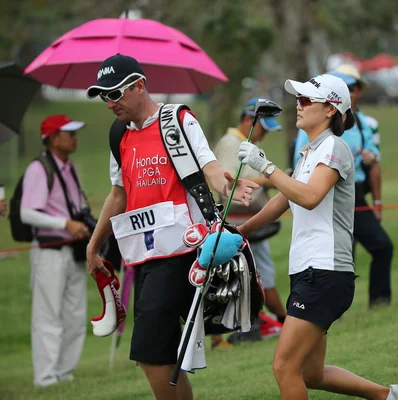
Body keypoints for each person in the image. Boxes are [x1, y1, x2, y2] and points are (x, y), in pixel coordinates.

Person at [84, 54, 258, 400]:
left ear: (139, 86)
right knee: (161, 356)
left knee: (149, 353)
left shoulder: (176, 119)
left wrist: (226, 185)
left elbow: (209, 166)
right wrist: (93, 246)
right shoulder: (118, 133)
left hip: (181, 251)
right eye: (104, 96)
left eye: (115, 94)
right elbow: (118, 194)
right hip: (143, 256)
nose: (109, 103)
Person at [237, 73, 398, 400]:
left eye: (306, 101)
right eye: (298, 100)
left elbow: (310, 196)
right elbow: (284, 198)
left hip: (324, 272)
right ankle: (388, 396)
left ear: (331, 109)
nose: (297, 106)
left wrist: (266, 167)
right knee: (310, 373)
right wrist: (243, 231)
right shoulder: (309, 151)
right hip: (311, 272)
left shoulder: (334, 146)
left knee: (284, 367)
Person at [293, 65, 394, 307]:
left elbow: (375, 163)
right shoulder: (309, 124)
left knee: (381, 246)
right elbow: (301, 168)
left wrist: (378, 201)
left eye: (354, 87)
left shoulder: (362, 122)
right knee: (343, 253)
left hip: (355, 193)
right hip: (322, 193)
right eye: (346, 86)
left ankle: (379, 303)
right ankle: (335, 305)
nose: (352, 91)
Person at [20, 114, 89, 387]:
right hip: (49, 250)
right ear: (52, 138)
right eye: (68, 133)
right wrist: (65, 223)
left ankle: (65, 372)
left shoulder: (69, 167)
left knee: (74, 314)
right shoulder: (39, 169)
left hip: (72, 249)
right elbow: (27, 213)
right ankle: (46, 377)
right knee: (49, 316)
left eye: (74, 132)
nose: (74, 137)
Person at [212, 97, 287, 347]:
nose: (264, 134)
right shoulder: (230, 143)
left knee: (259, 273)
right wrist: (272, 178)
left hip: (252, 222)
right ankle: (278, 322)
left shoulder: (243, 143)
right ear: (247, 120)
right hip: (238, 222)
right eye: (263, 127)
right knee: (251, 275)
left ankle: (278, 321)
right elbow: (228, 185)